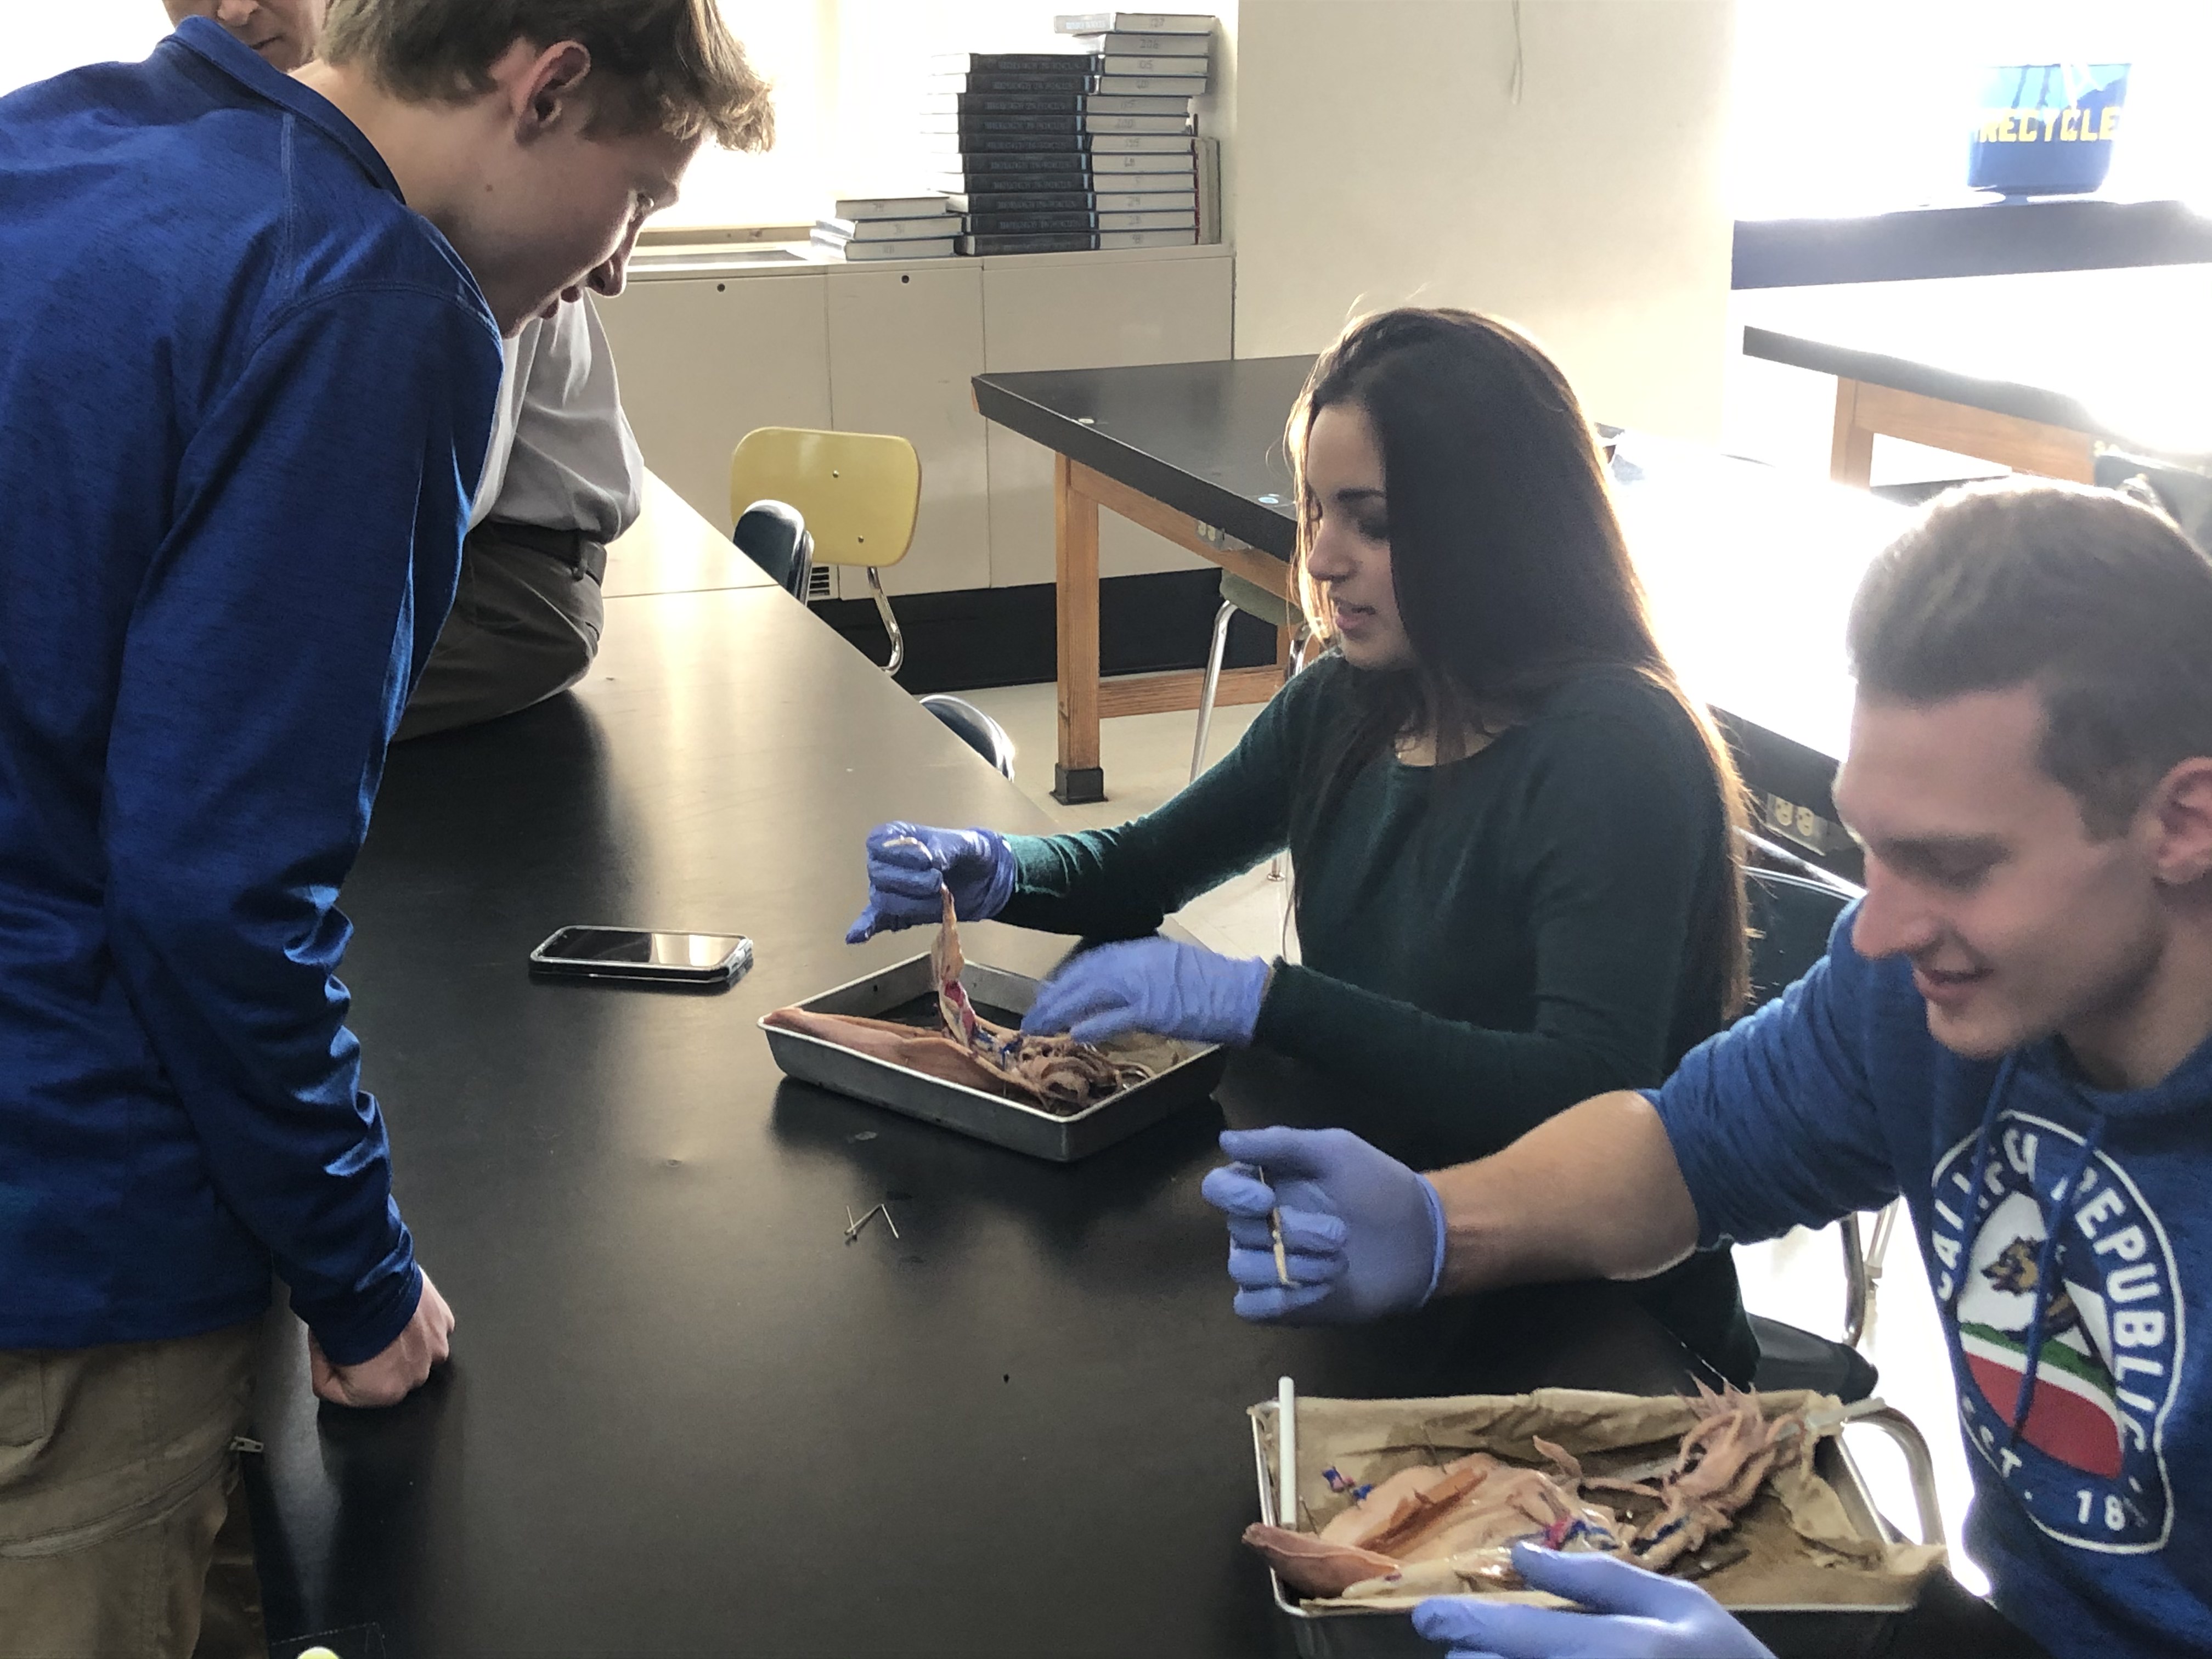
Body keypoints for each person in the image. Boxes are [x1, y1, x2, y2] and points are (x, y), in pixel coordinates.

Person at [0, 4, 769, 1653]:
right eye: (638, 195)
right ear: (544, 82)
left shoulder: (65, 138)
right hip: (70, 1229)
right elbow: (217, 894)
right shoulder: (370, 298)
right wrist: (359, 1285)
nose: (619, 264)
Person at [1205, 480, 2212, 1658]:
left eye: (1951, 864)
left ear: (2183, 823)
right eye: (1872, 848)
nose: (1878, 929)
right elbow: (1681, 1152)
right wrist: (1439, 1222)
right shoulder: (1907, 993)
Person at [847, 307, 1760, 1383]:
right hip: (1380, 1243)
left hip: (1600, 1331)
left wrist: (1264, 1000)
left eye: (1370, 522)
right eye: (1319, 509)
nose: (1322, 557)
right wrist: (999, 868)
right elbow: (1140, 869)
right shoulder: (1350, 699)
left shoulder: (1617, 749)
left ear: (1495, 525)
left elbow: (1581, 1102)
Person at [162, 0, 654, 742]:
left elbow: (451, 490)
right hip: (384, 549)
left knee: (204, 706)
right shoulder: (244, 148)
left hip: (500, 574)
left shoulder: (445, 162)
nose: (231, 9)